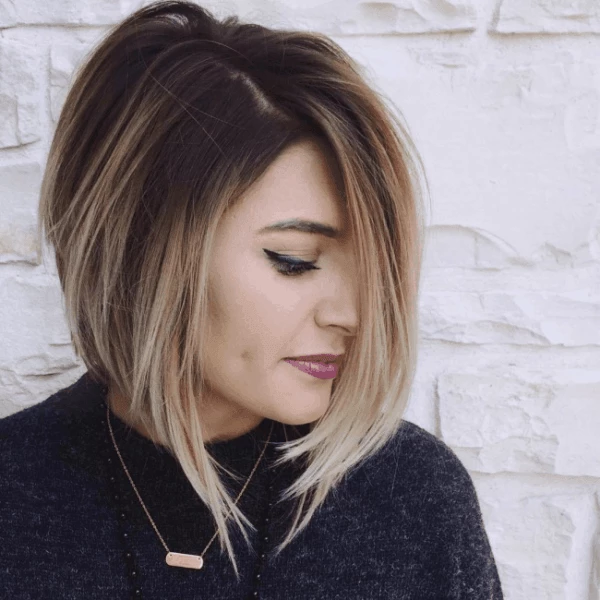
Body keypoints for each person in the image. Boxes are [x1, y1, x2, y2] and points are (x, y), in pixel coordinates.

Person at [0, 1, 504, 598]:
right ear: (139, 245)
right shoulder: (16, 495)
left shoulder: (411, 499)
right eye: (295, 260)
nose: (352, 316)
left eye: (372, 270)